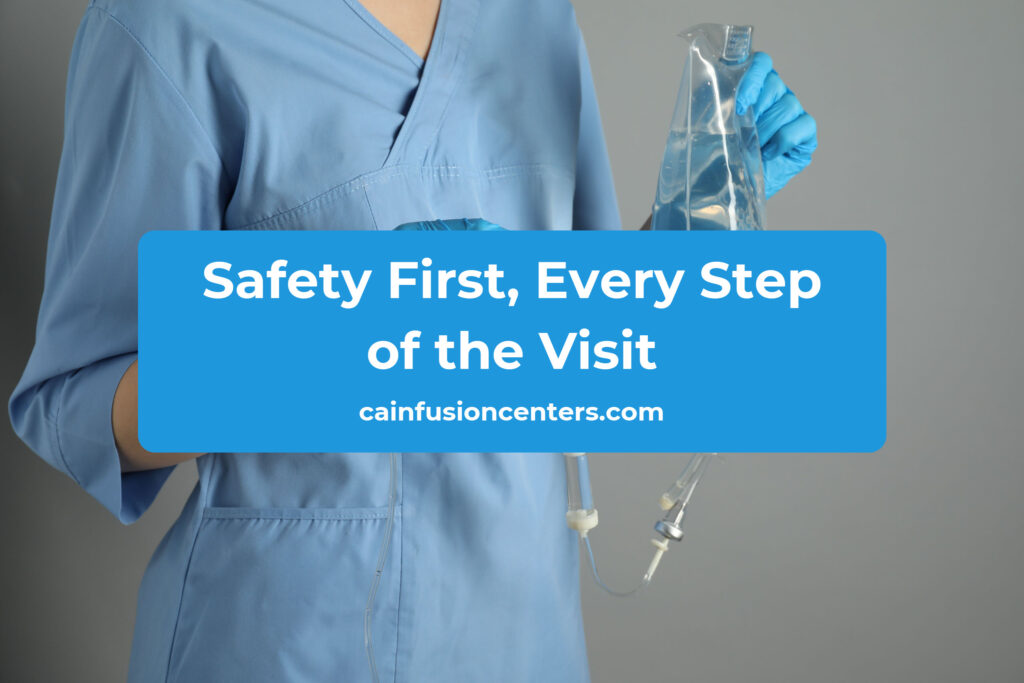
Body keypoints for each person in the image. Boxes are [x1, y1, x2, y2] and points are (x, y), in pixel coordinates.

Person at [9, 0, 816, 680]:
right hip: (290, 641)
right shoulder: (171, 22)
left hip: (522, 632)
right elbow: (75, 401)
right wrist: (355, 329)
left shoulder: (531, 18)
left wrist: (699, 221)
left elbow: (583, 339)